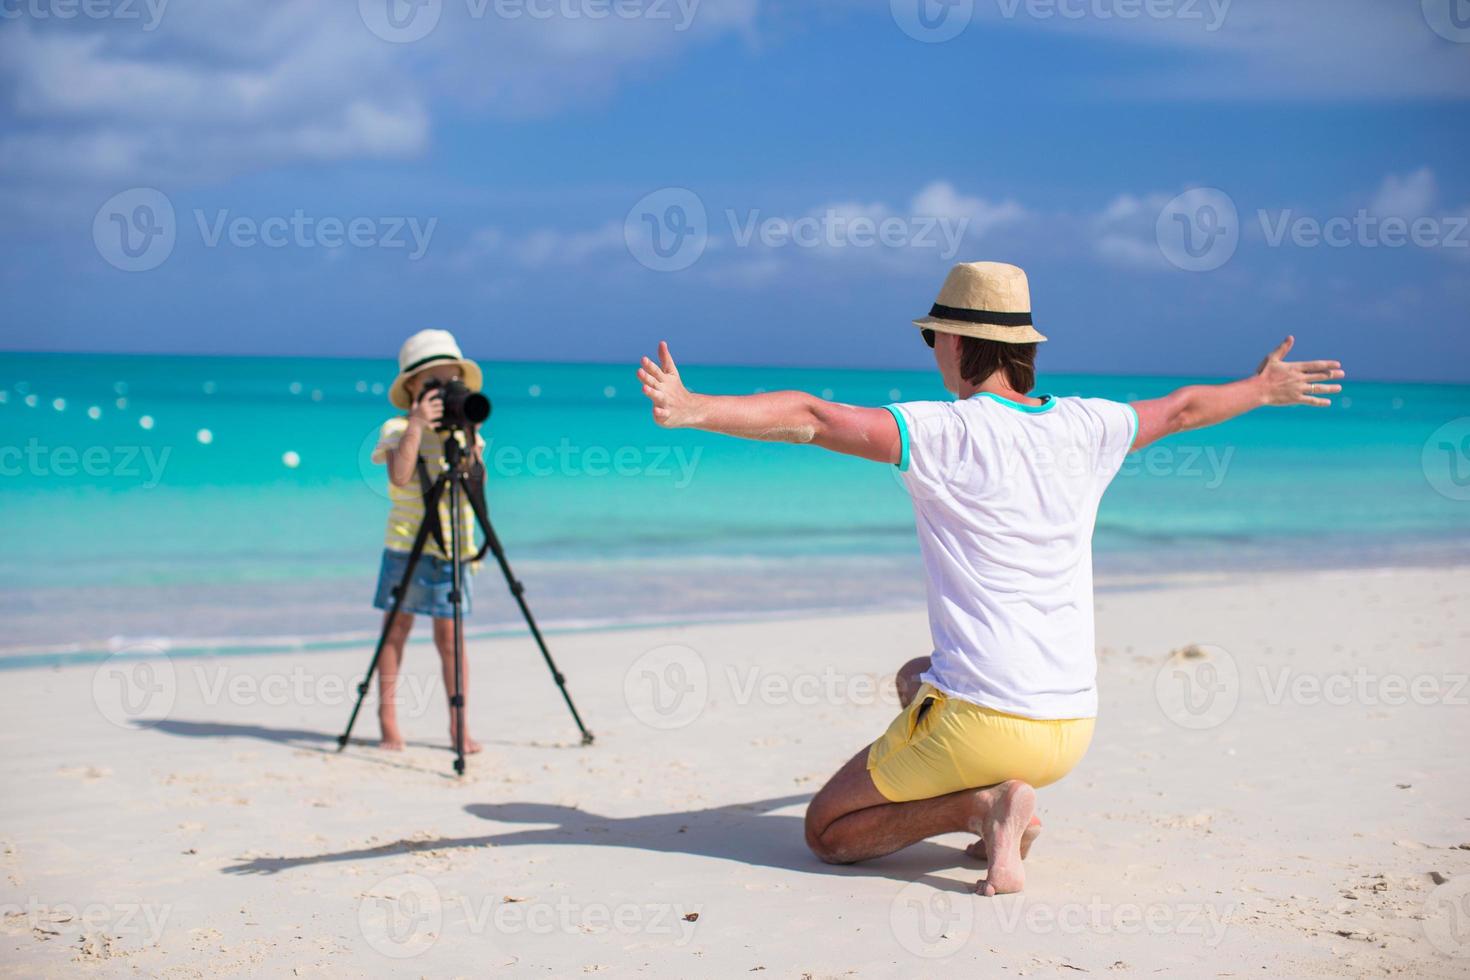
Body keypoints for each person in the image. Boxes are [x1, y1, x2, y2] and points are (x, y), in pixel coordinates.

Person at [636, 261, 1345, 894]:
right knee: (918, 676)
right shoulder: (1088, 425)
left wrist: (693, 408)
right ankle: (1003, 810)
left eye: (932, 336)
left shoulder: (943, 431)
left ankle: (981, 809)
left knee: (827, 832)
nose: (932, 350)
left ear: (958, 343)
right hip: (1070, 726)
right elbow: (1185, 407)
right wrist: (1261, 387)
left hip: (986, 724)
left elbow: (814, 418)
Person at [370, 329, 487, 753]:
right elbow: (399, 476)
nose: (443, 395)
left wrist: (470, 435)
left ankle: (459, 725)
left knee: (451, 640)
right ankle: (388, 721)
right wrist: (418, 425)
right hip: (406, 543)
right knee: (396, 629)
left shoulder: (464, 433)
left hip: (455, 546)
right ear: (412, 389)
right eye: (432, 385)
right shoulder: (398, 426)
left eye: (450, 384)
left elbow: (478, 486)